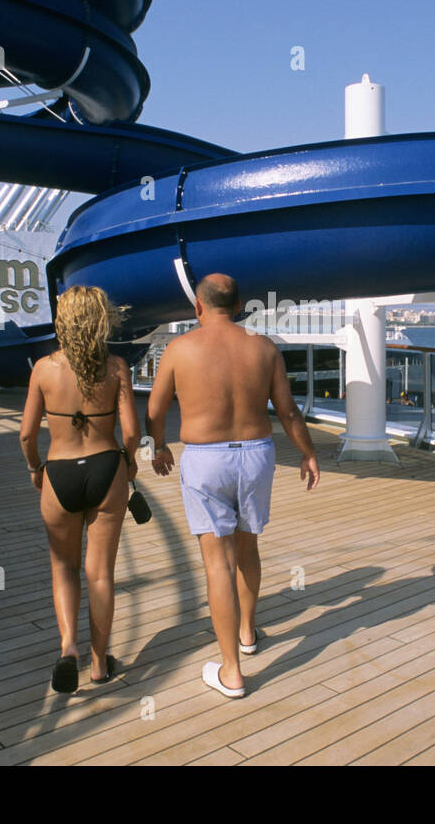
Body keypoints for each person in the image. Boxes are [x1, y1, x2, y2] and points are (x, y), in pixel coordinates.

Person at [146, 273, 320, 699]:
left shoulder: (179, 349)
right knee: (248, 546)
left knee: (217, 563)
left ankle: (232, 671)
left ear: (198, 307)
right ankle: (247, 632)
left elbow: (154, 409)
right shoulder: (263, 348)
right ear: (239, 306)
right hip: (256, 453)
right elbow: (289, 412)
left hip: (206, 458)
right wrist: (308, 453)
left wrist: (159, 447)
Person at [20, 285, 139, 693]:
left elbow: (25, 433)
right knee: (100, 572)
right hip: (107, 468)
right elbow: (132, 431)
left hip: (60, 473)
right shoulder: (117, 367)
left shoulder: (42, 368)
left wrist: (36, 468)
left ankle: (68, 647)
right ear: (101, 320)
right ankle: (98, 663)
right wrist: (131, 459)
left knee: (63, 568)